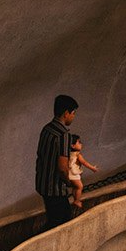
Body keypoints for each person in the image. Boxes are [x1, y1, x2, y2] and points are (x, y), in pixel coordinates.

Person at [35, 94, 80, 232]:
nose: (73, 116)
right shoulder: (63, 135)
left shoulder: (46, 129)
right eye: (73, 113)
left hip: (42, 184)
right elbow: (62, 167)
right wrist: (68, 182)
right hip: (55, 188)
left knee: (57, 219)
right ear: (66, 113)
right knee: (59, 224)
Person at [66, 134, 98, 211]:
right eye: (79, 142)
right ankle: (77, 201)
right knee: (80, 187)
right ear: (73, 146)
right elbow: (84, 162)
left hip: (69, 174)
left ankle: (75, 199)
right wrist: (92, 168)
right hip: (73, 174)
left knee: (75, 187)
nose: (81, 144)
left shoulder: (69, 153)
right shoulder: (77, 154)